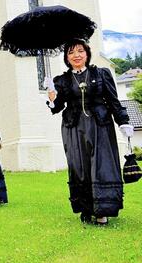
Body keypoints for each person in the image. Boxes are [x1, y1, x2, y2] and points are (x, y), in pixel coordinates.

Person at [45, 39, 131, 225]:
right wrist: (52, 97)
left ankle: (102, 210)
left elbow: (113, 100)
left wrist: (123, 121)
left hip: (100, 125)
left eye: (80, 51)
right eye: (71, 52)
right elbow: (57, 107)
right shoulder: (62, 80)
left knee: (102, 165)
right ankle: (86, 208)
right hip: (74, 127)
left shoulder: (101, 74)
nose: (76, 55)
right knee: (79, 166)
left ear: (87, 53)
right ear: (67, 57)